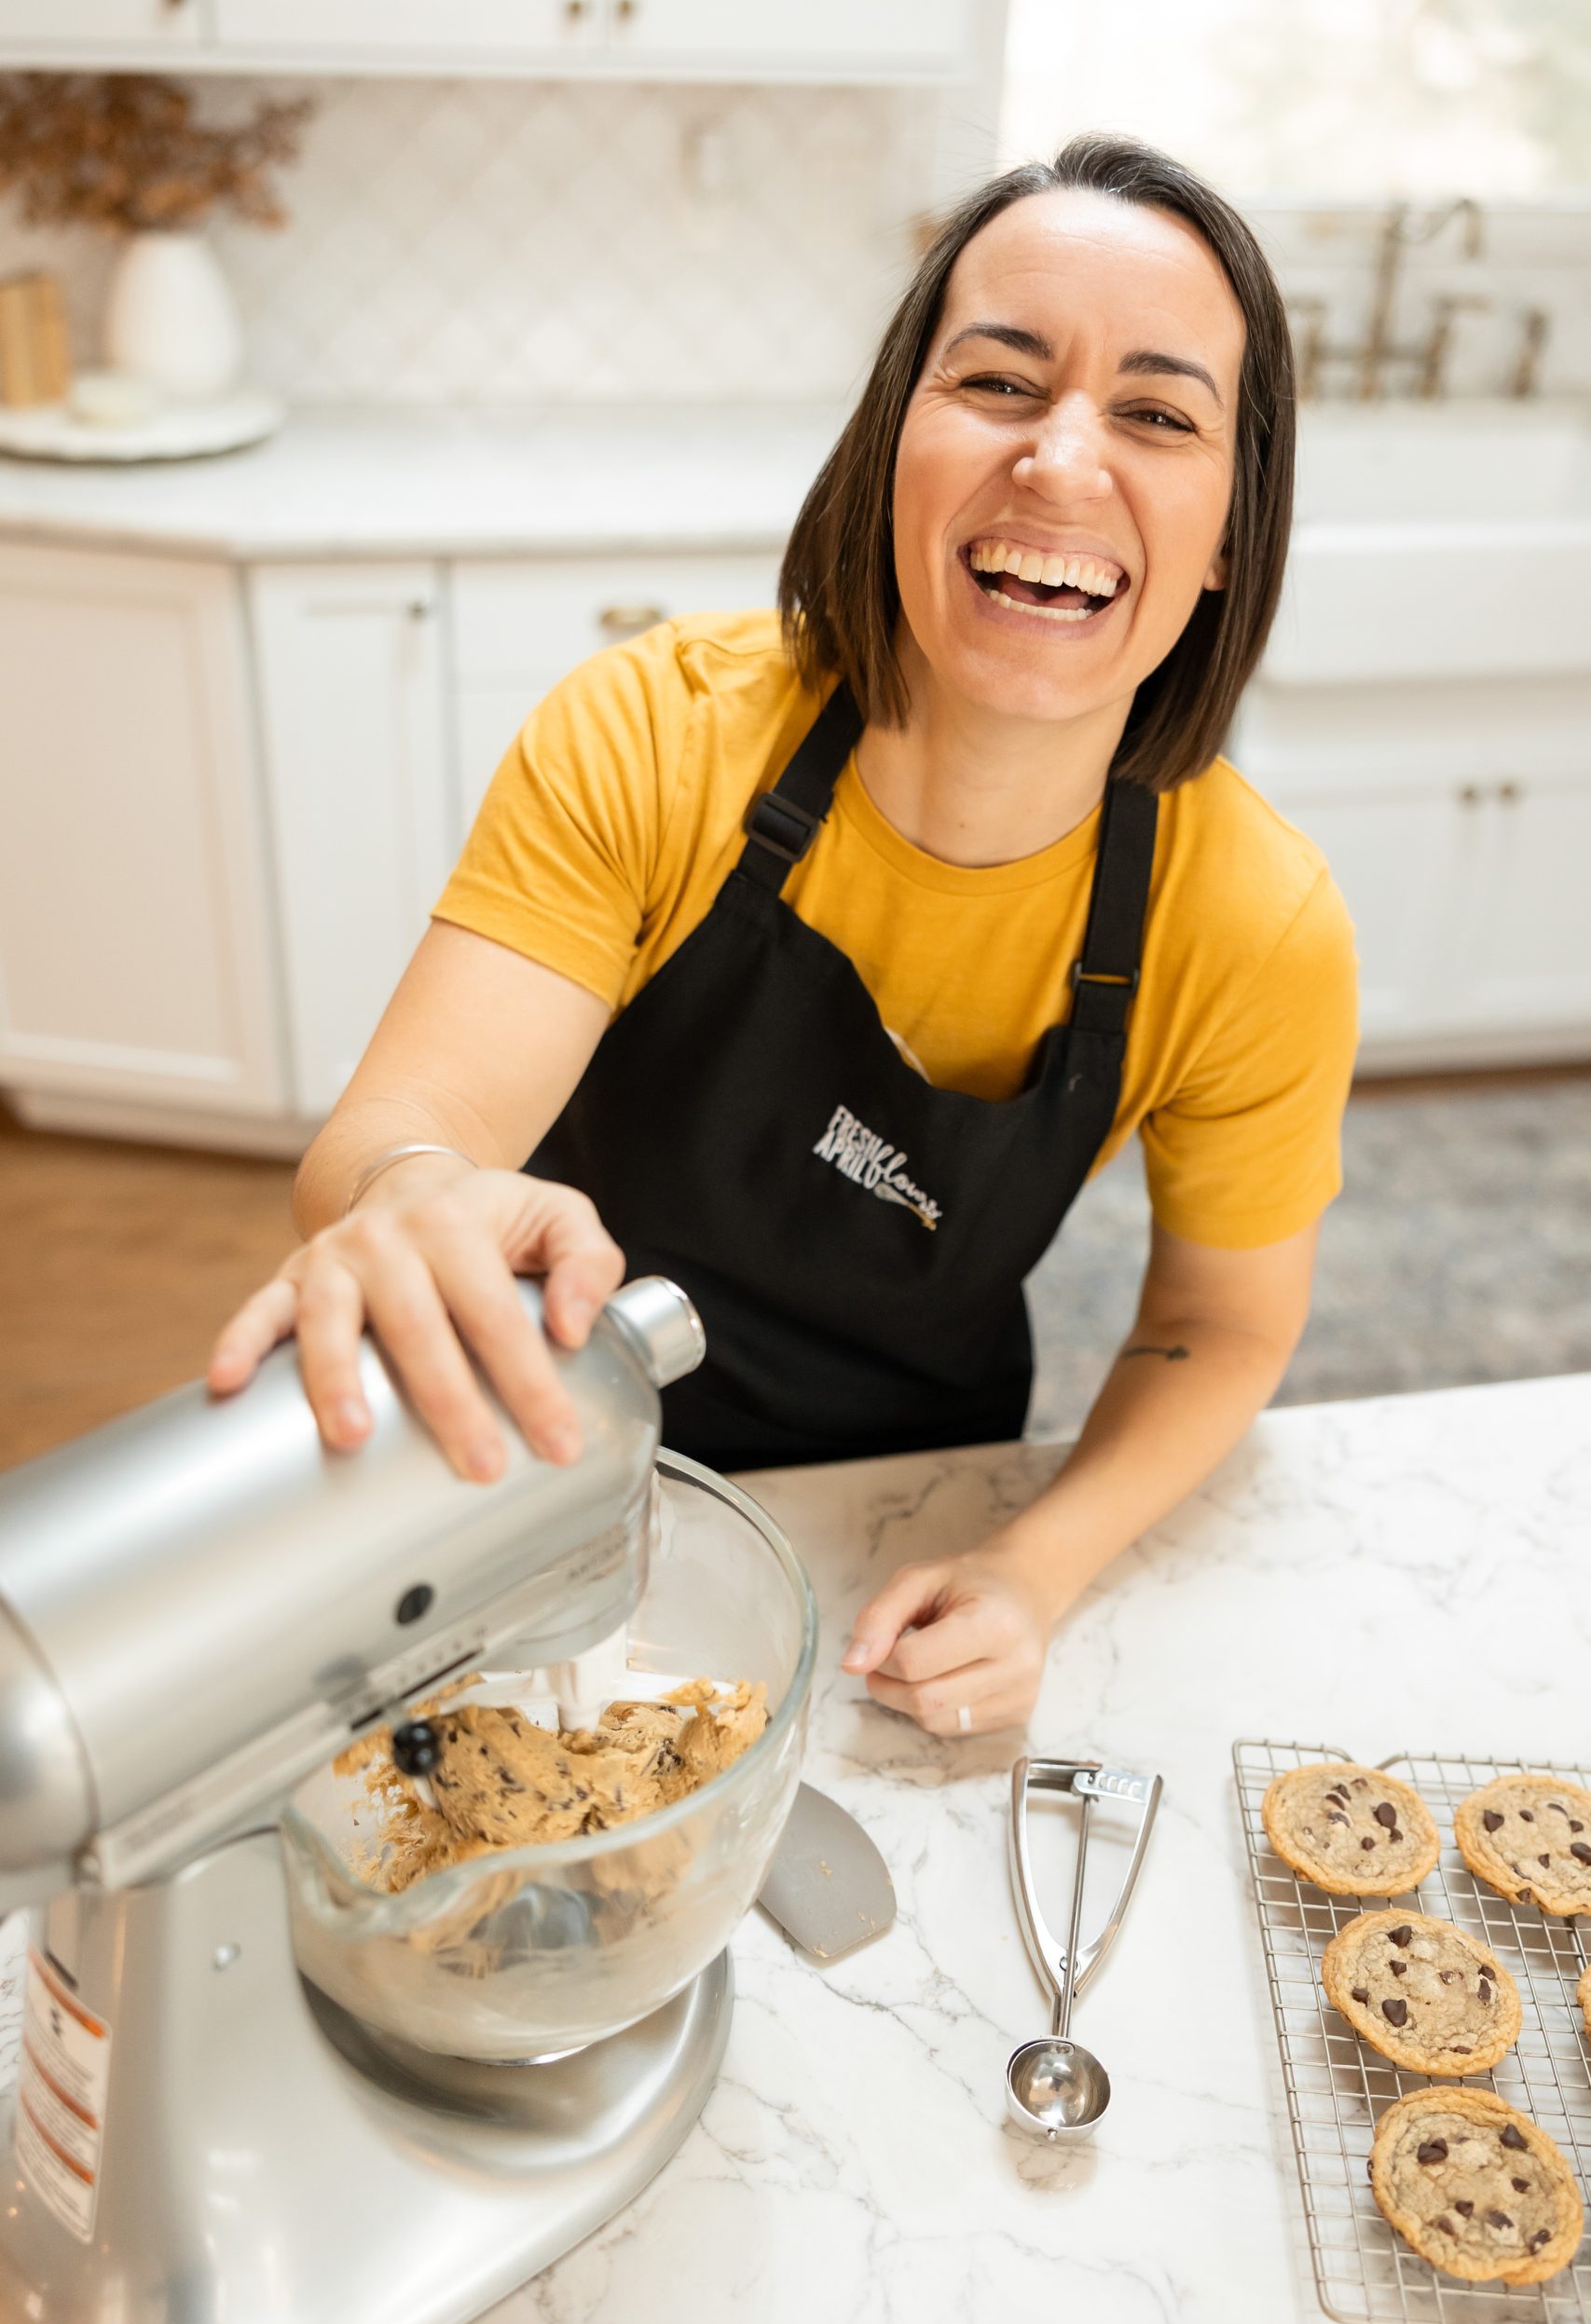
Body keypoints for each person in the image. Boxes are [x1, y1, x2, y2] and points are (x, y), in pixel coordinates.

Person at [209, 133, 1356, 1736]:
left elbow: (1221, 1326)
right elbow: (407, 1132)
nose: (1063, 462)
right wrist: (409, 1202)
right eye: (1001, 383)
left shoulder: (1252, 922)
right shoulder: (657, 733)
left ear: (1233, 532)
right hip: (530, 1446)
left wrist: (1034, 1568)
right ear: (896, 441)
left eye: (1160, 415)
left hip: (903, 1507)